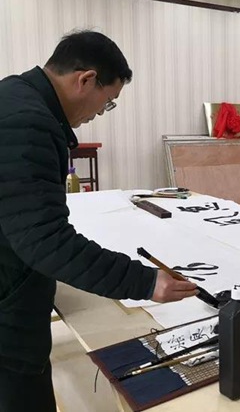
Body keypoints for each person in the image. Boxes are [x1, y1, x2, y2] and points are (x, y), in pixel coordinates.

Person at [0, 31, 199, 412]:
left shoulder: (14, 94)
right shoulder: (28, 123)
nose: (98, 114)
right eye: (107, 102)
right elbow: (46, 242)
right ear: (86, 79)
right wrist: (144, 281)